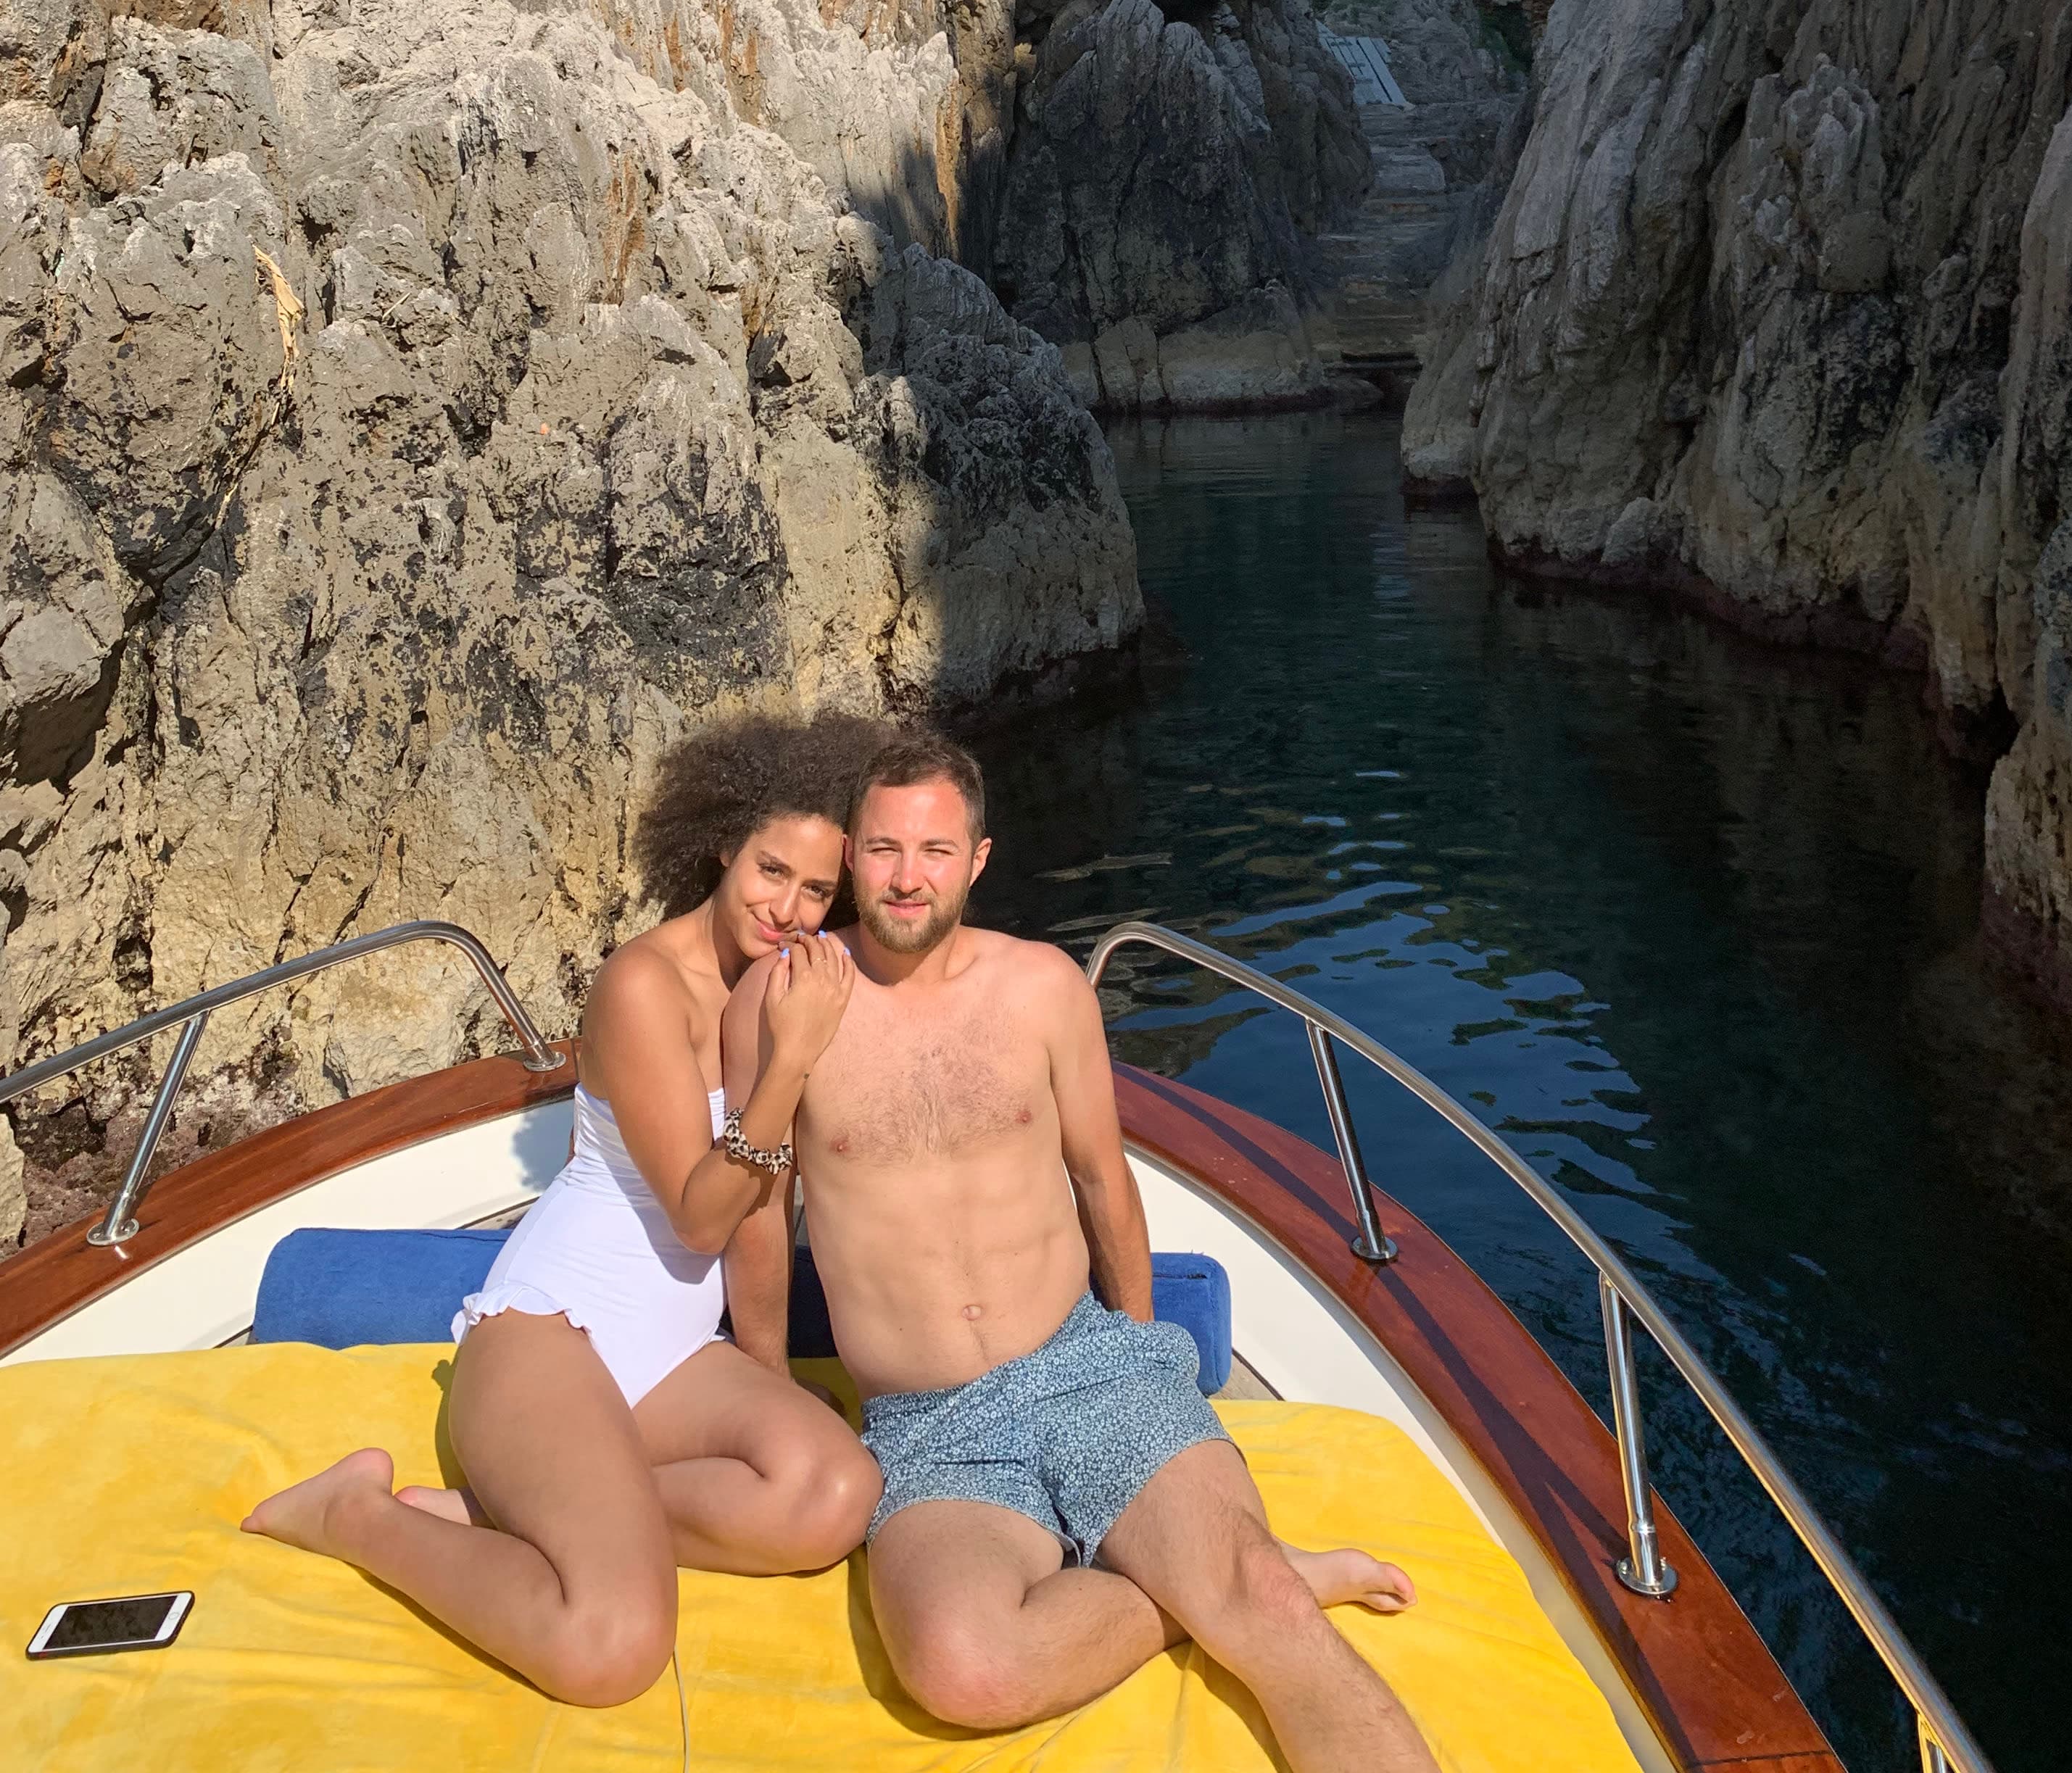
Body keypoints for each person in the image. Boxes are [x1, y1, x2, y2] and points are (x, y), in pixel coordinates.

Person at [725, 727, 1438, 1773]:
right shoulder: (780, 1007)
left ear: (977, 858)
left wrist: (1149, 1368)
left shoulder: (1043, 987)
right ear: (851, 856)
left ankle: (1238, 1582)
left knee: (1271, 1608)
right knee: (966, 1670)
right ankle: (1198, 1589)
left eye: (933, 851)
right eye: (882, 850)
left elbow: (1105, 1180)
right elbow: (756, 1219)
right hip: (931, 1430)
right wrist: (768, 1391)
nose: (906, 878)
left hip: (1084, 1364)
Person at [243, 714, 882, 1706]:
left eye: (817, 890)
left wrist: (771, 1385)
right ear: (722, 845)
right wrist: (792, 1063)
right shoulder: (642, 988)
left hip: (672, 1357)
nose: (788, 908)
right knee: (611, 1645)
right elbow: (704, 1217)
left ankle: (514, 1512)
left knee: (835, 1493)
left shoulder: (776, 991)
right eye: (770, 870)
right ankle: (352, 1517)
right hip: (553, 1336)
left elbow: (766, 1212)